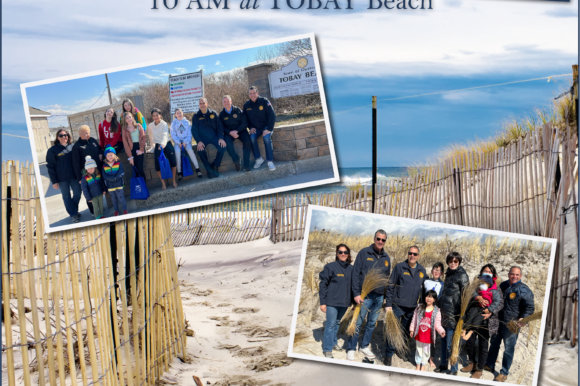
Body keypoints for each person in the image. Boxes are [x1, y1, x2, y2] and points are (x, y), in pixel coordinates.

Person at [346, 230, 391, 361]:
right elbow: (355, 274)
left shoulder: (386, 258)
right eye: (378, 239)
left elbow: (386, 278)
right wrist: (356, 294)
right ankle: (351, 348)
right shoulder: (364, 253)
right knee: (357, 322)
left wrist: (385, 297)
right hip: (364, 296)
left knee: (371, 323)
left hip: (378, 297)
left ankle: (364, 346)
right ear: (374, 238)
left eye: (383, 240)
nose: (380, 242)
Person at [485, 266, 534, 383]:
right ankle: (490, 364)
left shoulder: (524, 290)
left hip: (512, 325)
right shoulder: (503, 285)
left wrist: (524, 319)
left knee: (508, 349)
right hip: (499, 321)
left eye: (517, 275)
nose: (514, 276)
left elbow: (530, 307)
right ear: (508, 274)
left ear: (521, 276)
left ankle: (504, 372)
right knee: (494, 344)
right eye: (512, 274)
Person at [383, 245, 428, 366]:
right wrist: (388, 304)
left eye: (414, 254)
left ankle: (399, 349)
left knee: (406, 331)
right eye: (410, 253)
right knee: (393, 331)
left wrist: (424, 306)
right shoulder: (399, 267)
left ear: (418, 256)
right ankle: (388, 354)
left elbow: (425, 290)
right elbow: (391, 286)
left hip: (412, 308)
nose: (412, 256)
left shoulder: (422, 271)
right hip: (397, 305)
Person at [461, 264, 504, 379]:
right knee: (470, 342)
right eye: (485, 270)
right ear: (481, 272)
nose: (487, 272)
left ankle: (479, 369)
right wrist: (477, 297)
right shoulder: (476, 283)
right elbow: (469, 292)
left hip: (487, 320)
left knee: (483, 345)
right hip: (473, 316)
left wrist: (490, 311)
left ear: (493, 274)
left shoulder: (496, 286)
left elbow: (500, 303)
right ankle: (471, 363)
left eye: (490, 271)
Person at [436, 251, 469, 375]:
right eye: (451, 261)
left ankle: (454, 369)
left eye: (455, 261)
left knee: (451, 344)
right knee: (443, 342)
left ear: (459, 262)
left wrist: (462, 316)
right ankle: (444, 365)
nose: (453, 263)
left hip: (454, 316)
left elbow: (466, 295)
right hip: (444, 313)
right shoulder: (448, 274)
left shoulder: (462, 275)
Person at [319, 244, 354, 359]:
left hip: (344, 303)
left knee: (337, 322)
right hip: (332, 302)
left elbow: (353, 286)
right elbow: (323, 285)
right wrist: (322, 302)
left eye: (345, 252)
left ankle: (334, 343)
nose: (343, 254)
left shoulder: (351, 268)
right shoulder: (330, 267)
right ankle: (328, 349)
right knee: (330, 325)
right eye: (340, 252)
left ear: (348, 254)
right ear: (337, 253)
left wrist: (353, 302)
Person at [46, 129, 82, 223]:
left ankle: (73, 210)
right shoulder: (52, 150)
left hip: (74, 176)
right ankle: (74, 214)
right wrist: (54, 181)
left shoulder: (73, 147)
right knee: (66, 197)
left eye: (65, 135)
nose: (63, 137)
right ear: (57, 138)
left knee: (78, 193)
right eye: (61, 135)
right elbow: (50, 166)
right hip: (62, 179)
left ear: (68, 136)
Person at [409, 290, 446, 371]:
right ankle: (418, 364)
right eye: (427, 296)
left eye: (432, 297)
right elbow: (414, 319)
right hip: (419, 334)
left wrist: (441, 331)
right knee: (418, 349)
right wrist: (412, 329)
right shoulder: (419, 307)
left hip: (428, 336)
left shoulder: (436, 311)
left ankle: (423, 365)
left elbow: (437, 324)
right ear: (425, 297)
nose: (429, 298)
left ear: (435, 300)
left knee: (426, 351)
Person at [191, 98, 227, 179]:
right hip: (202, 139)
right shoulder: (196, 116)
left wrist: (221, 138)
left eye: (203, 103)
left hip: (214, 137)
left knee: (223, 146)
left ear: (207, 104)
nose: (202, 105)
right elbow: (194, 130)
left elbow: (219, 127)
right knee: (200, 150)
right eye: (200, 103)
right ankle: (208, 168)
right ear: (199, 105)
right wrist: (198, 141)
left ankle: (215, 166)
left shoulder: (213, 113)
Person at [243, 86, 276, 171]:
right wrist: (250, 128)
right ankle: (258, 159)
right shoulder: (246, 105)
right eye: (251, 93)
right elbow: (245, 119)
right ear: (249, 95)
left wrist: (269, 128)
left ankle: (270, 161)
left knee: (266, 138)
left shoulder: (264, 101)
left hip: (266, 127)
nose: (252, 95)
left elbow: (272, 115)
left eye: (254, 93)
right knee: (252, 137)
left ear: (257, 93)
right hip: (255, 128)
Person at [72, 125, 103, 216]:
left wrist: (100, 154)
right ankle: (93, 210)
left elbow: (100, 148)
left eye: (88, 132)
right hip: (86, 173)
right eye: (84, 133)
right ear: (80, 134)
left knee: (97, 188)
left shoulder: (93, 140)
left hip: (97, 171)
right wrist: (79, 178)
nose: (87, 134)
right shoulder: (77, 146)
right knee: (89, 191)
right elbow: (76, 163)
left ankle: (100, 207)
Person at [219, 95, 252, 172]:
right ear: (222, 103)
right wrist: (230, 132)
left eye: (228, 101)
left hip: (240, 131)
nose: (226, 103)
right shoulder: (221, 114)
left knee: (247, 142)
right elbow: (221, 127)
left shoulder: (238, 110)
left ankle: (246, 165)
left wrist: (236, 131)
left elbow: (244, 123)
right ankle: (236, 159)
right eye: (224, 102)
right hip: (229, 133)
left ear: (231, 101)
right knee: (227, 143)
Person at [148, 108, 178, 190]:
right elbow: (150, 137)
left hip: (166, 143)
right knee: (157, 166)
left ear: (160, 115)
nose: (155, 117)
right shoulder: (150, 126)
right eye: (153, 116)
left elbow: (165, 135)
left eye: (157, 115)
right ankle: (163, 183)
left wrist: (163, 144)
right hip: (158, 145)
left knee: (173, 162)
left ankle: (174, 180)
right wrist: (153, 146)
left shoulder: (164, 124)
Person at [170, 108, 202, 180]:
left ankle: (197, 168)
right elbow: (173, 134)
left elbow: (190, 134)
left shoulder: (187, 122)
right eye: (177, 113)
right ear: (175, 114)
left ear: (182, 113)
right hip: (177, 143)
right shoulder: (173, 123)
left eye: (180, 112)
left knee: (190, 150)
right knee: (177, 152)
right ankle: (179, 172)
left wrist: (185, 142)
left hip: (186, 142)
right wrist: (179, 142)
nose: (179, 114)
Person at [461, 275, 495, 340]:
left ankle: (469, 333)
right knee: (469, 316)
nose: (482, 285)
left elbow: (497, 302)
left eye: (484, 283)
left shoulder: (493, 292)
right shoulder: (477, 289)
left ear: (489, 284)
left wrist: (490, 309)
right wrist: (477, 297)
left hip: (484, 309)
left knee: (477, 320)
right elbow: (471, 292)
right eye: (481, 283)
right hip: (476, 306)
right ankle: (464, 330)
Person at [102, 146, 127, 216]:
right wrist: (112, 179)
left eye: (111, 155)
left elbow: (121, 172)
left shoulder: (118, 163)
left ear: (114, 155)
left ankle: (125, 210)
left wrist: (116, 178)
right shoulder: (104, 166)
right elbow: (104, 176)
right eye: (108, 155)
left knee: (121, 198)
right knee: (113, 200)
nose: (110, 156)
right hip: (110, 186)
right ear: (106, 156)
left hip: (119, 184)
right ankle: (116, 210)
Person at [121, 111, 147, 179]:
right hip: (131, 150)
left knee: (140, 169)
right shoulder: (124, 130)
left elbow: (143, 138)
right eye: (127, 118)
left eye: (130, 117)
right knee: (135, 170)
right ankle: (139, 188)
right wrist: (130, 157)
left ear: (132, 117)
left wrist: (141, 150)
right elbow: (125, 144)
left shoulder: (138, 125)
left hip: (139, 148)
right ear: (125, 120)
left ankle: (144, 188)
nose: (129, 119)